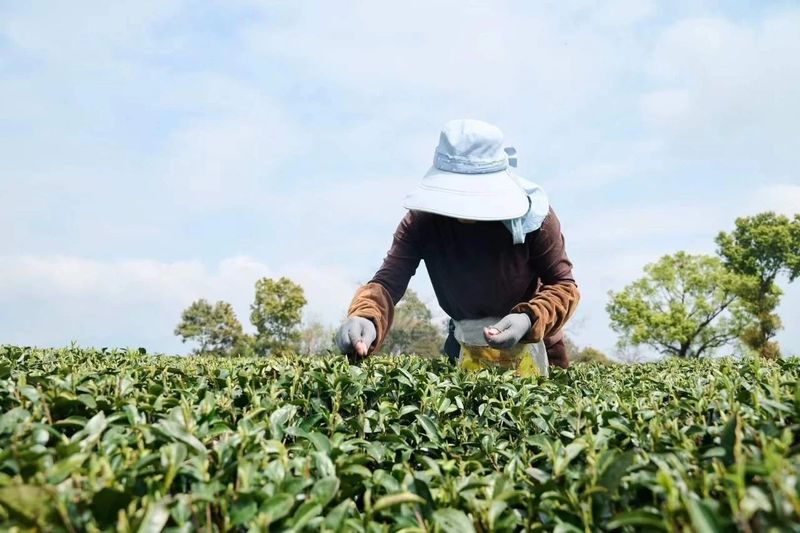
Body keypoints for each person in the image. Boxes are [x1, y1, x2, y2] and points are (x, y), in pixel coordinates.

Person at [335, 119, 579, 376]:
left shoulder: (534, 218)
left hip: (534, 344)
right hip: (464, 340)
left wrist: (529, 319)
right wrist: (366, 317)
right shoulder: (422, 223)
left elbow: (564, 285)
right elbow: (387, 282)